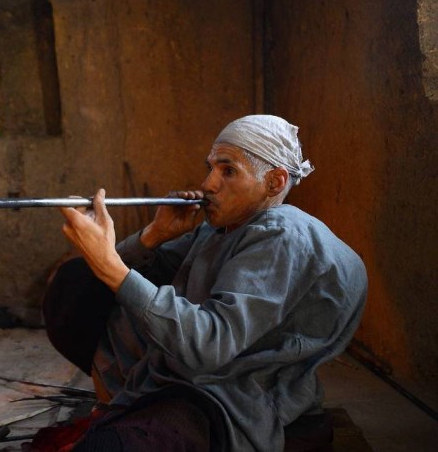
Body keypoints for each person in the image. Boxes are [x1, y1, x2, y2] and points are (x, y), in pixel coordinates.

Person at [40, 115, 368, 451]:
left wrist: (108, 262)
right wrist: (155, 235)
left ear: (274, 181)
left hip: (227, 387)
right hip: (179, 361)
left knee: (110, 445)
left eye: (228, 171)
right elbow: (142, 277)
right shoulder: (222, 225)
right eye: (210, 167)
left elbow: (209, 347)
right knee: (76, 283)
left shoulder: (281, 237)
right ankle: (125, 399)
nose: (208, 183)